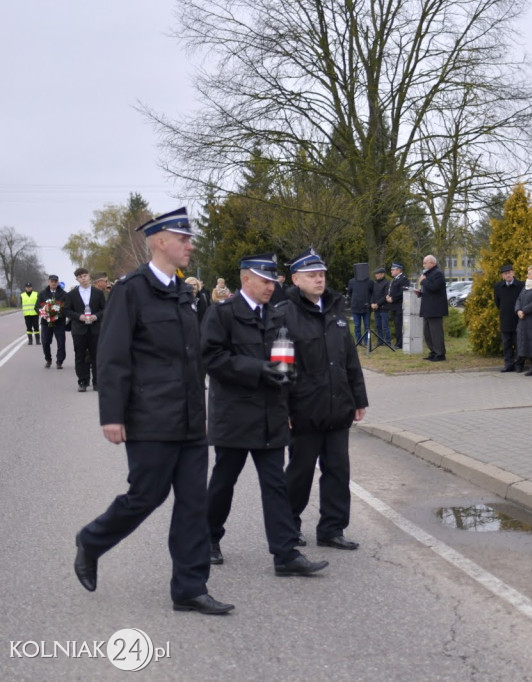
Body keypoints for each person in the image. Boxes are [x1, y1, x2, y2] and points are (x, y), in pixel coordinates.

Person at [74, 207, 234, 615]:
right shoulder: (131, 290)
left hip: (190, 419)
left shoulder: (186, 292)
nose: (190, 245)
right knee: (146, 496)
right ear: (161, 241)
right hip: (149, 417)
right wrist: (112, 414)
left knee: (194, 503)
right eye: (184, 238)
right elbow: (112, 358)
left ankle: (190, 588)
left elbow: (198, 355)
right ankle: (92, 540)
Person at [203, 253, 328, 576]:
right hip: (234, 414)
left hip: (271, 414)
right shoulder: (222, 314)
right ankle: (208, 538)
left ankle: (285, 554)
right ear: (246, 279)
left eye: (274, 282)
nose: (271, 287)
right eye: (265, 281)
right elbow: (212, 359)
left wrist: (287, 399)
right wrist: (258, 369)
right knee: (223, 482)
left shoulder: (277, 315)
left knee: (275, 485)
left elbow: (286, 362)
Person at [283, 248, 369, 551]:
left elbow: (350, 360)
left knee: (337, 471)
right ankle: (289, 526)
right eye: (311, 275)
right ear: (296, 279)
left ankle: (332, 528)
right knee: (299, 473)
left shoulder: (335, 311)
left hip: (338, 407)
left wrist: (359, 398)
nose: (319, 280)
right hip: (304, 409)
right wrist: (284, 409)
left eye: (321, 274)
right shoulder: (285, 314)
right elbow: (281, 369)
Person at [64, 267, 105, 392]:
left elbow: (105, 309)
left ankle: (97, 382)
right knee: (80, 356)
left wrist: (96, 316)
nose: (83, 278)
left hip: (95, 329)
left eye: (85, 275)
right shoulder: (71, 295)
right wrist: (79, 316)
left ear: (89, 277)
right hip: (79, 329)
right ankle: (83, 381)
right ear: (77, 279)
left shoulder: (98, 293)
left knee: (96, 355)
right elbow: (66, 310)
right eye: (80, 277)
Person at [494, 264, 525, 372]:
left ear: (513, 273)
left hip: (518, 319)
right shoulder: (498, 287)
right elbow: (497, 303)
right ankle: (509, 364)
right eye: (505, 273)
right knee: (506, 344)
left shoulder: (521, 285)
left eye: (509, 273)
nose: (508, 275)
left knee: (519, 344)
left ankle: (519, 365)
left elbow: (523, 301)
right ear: (502, 275)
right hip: (505, 319)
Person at [417, 255, 448, 361]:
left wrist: (423, 281)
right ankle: (433, 351)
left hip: (435, 308)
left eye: (425, 263)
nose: (423, 265)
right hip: (427, 307)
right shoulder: (427, 273)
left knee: (436, 333)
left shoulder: (438, 273)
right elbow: (428, 288)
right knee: (427, 333)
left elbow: (435, 288)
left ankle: (440, 354)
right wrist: (420, 292)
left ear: (432, 263)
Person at [36, 275, 67, 369]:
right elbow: (36, 307)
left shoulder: (64, 294)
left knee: (61, 342)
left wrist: (58, 315)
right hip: (46, 322)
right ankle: (48, 359)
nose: (53, 283)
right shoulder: (42, 293)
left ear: (58, 283)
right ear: (48, 282)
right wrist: (44, 313)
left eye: (55, 281)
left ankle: (59, 362)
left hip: (59, 322)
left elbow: (66, 308)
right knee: (45, 342)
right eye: (52, 281)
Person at [346, 269, 373, 346]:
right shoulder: (351, 282)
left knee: (367, 325)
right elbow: (349, 293)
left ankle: (366, 341)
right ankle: (359, 341)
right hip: (356, 307)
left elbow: (372, 293)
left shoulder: (369, 282)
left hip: (366, 307)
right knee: (357, 325)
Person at [385, 263, 408, 348]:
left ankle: (400, 344)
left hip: (399, 305)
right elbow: (392, 290)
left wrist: (393, 298)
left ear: (398, 270)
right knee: (397, 325)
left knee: (399, 325)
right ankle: (398, 342)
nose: (391, 271)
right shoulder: (394, 279)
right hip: (394, 306)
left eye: (393, 270)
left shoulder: (403, 279)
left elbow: (403, 292)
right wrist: (388, 296)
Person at [370, 267, 391, 346]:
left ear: (382, 274)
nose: (376, 275)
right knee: (378, 326)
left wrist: (377, 304)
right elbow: (372, 295)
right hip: (376, 308)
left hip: (383, 308)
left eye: (377, 274)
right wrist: (371, 303)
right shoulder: (376, 284)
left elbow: (385, 296)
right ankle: (380, 341)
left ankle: (387, 341)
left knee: (385, 326)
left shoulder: (387, 283)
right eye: (375, 274)